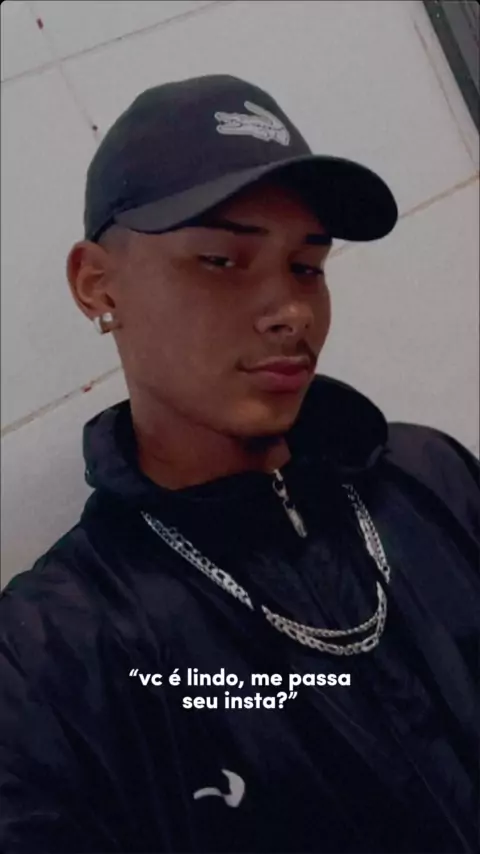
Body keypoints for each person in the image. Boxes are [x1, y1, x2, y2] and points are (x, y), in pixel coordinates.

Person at [0, 74, 478, 854]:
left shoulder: (432, 478)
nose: (290, 311)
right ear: (97, 284)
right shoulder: (54, 655)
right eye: (222, 261)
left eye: (307, 267)